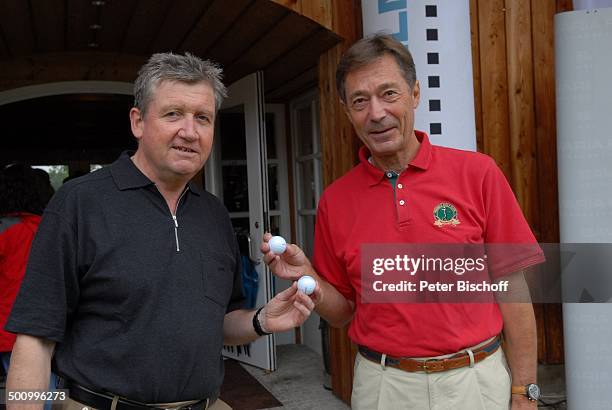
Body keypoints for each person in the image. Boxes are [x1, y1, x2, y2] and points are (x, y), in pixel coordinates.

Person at [5, 52, 314, 410]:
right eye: (173, 114)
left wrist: (262, 320)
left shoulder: (213, 213)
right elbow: (35, 340)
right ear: (137, 122)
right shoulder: (78, 204)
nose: (189, 131)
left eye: (203, 118)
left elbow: (222, 322)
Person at [261, 34, 544, 410]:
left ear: (414, 94)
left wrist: (525, 391)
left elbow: (513, 289)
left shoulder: (478, 174)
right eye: (360, 101)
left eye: (388, 94)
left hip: (475, 382)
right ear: (347, 111)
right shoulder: (335, 200)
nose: (376, 113)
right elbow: (343, 311)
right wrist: (307, 278)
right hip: (383, 388)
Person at [1, 165, 56, 410]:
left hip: (7, 325)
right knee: (47, 388)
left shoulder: (4, 230)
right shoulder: (52, 227)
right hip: (48, 323)